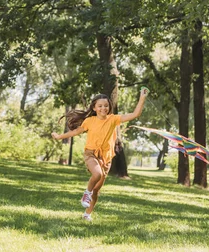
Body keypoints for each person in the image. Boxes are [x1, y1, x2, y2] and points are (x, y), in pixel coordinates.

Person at [51, 87, 150, 222]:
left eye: (106, 105)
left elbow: (135, 114)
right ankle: (86, 194)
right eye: (100, 106)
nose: (103, 108)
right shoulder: (89, 121)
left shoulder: (113, 119)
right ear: (94, 108)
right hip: (91, 153)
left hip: (106, 158)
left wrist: (142, 98)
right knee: (96, 174)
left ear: (109, 107)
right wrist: (59, 137)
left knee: (97, 190)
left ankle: (87, 214)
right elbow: (74, 132)